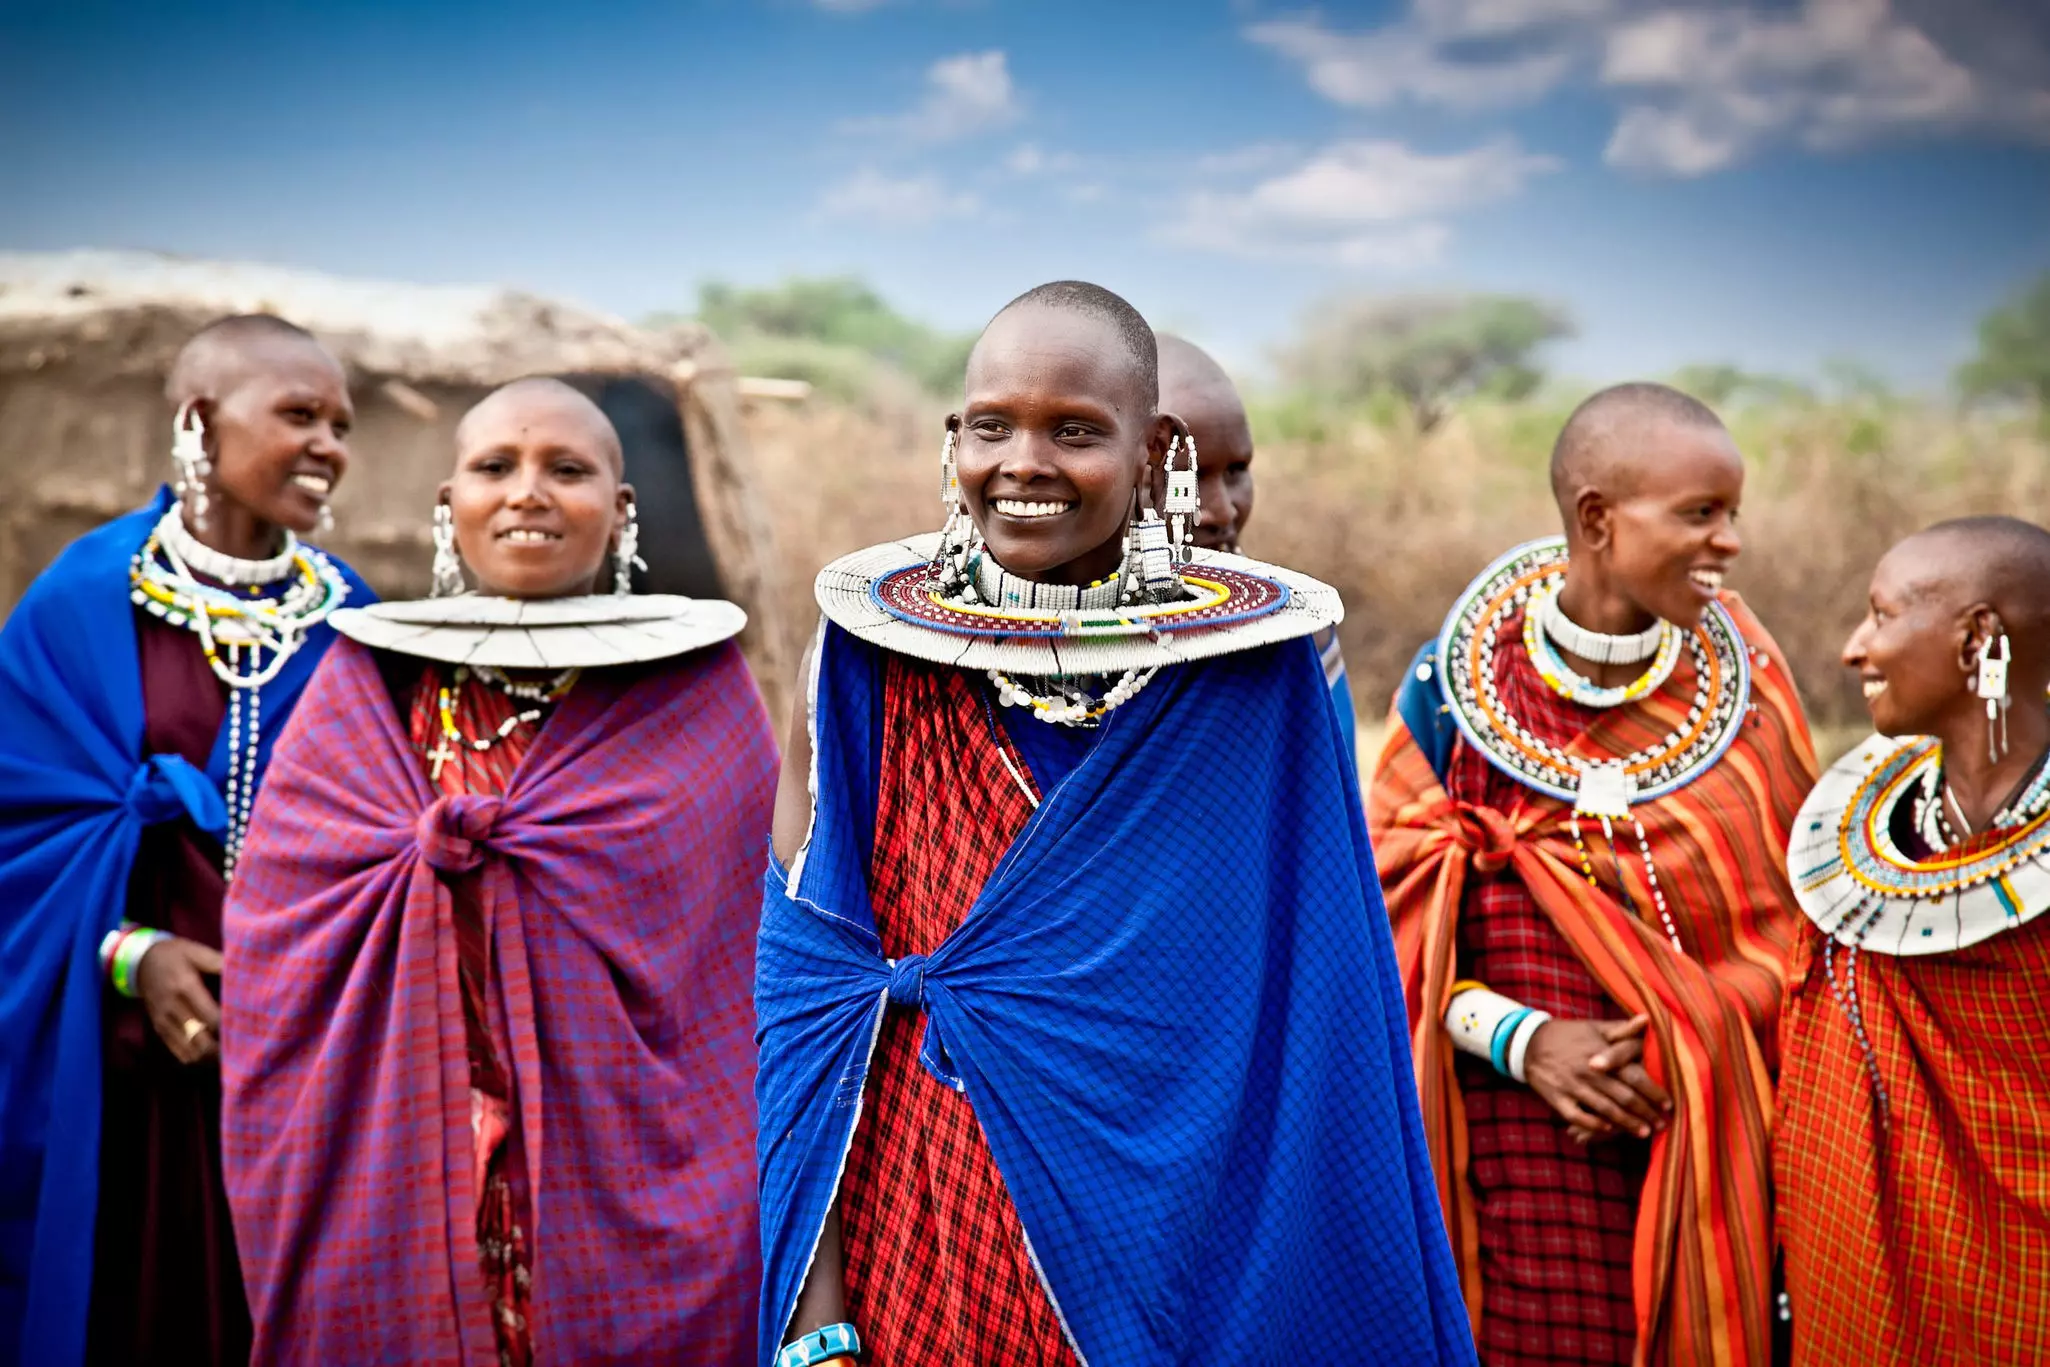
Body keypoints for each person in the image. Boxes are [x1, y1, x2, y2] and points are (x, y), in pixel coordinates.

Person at [757, 282, 1475, 1367]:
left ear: (1155, 452)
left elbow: (1316, 1004)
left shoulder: (1256, 674)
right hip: (928, 1214)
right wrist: (819, 1321)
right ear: (952, 440)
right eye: (991, 426)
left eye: (1076, 431)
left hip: (1194, 1239)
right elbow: (809, 986)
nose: (1025, 462)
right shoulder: (868, 654)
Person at [219, 379, 774, 1365]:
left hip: (628, 1171)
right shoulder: (364, 691)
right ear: (448, 503)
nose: (529, 492)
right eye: (494, 467)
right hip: (398, 1158)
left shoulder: (700, 698)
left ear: (622, 507)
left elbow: (734, 976)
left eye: (568, 469)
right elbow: (278, 944)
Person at [1369, 382, 1817, 1367]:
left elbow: (1794, 930)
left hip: (1712, 1128)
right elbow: (1380, 931)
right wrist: (1523, 1040)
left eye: (1731, 513)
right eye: (1699, 513)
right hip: (1514, 1142)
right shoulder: (1454, 687)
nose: (1729, 541)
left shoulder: (1748, 678)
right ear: (1596, 519)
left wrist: (1687, 1026)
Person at [0, 315, 368, 1367]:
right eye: (298, 413)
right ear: (199, 423)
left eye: (341, 424)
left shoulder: (358, 623)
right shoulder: (82, 603)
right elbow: (16, 843)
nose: (330, 444)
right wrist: (132, 953)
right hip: (125, 1079)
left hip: (306, 1069)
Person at [1777, 517, 2050, 1365]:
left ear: (1978, 638)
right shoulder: (1865, 829)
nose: (1856, 648)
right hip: (1858, 1280)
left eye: (1882, 615)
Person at [1157, 334, 1359, 755]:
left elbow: (1328, 806)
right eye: (1184, 478)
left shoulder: (1294, 635)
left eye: (1236, 472)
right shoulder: (1020, 638)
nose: (1223, 511)